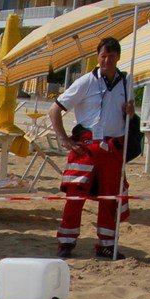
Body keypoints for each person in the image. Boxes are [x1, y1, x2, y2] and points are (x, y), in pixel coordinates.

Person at [49, 36, 135, 260]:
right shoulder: (86, 81)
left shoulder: (126, 82)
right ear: (98, 57)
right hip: (86, 147)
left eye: (110, 56)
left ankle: (106, 244)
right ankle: (66, 242)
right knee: (75, 196)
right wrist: (64, 138)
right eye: (102, 56)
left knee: (110, 198)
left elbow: (128, 114)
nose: (106, 60)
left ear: (118, 57)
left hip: (113, 148)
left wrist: (130, 112)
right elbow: (55, 109)